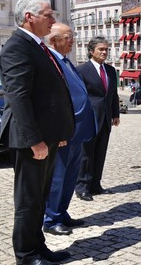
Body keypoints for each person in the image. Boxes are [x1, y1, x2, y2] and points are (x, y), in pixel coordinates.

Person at [0, 0, 74, 264]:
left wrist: (58, 134)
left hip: (46, 136)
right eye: (48, 15)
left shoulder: (37, 46)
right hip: (31, 140)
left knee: (40, 198)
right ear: (29, 17)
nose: (53, 20)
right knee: (28, 201)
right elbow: (18, 97)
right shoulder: (17, 47)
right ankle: (26, 255)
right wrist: (35, 141)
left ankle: (38, 248)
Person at [43, 24, 97, 236]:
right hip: (63, 133)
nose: (72, 40)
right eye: (68, 37)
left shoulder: (65, 61)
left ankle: (61, 212)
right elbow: (51, 100)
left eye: (72, 36)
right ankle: (51, 219)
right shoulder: (51, 62)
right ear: (54, 40)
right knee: (58, 178)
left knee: (70, 177)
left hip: (76, 131)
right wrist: (57, 130)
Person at [75, 37, 120, 202]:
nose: (104, 52)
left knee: (100, 153)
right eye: (101, 49)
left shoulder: (110, 70)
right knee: (86, 154)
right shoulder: (81, 70)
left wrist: (115, 114)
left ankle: (95, 185)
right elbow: (78, 96)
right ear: (91, 51)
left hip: (106, 119)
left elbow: (113, 94)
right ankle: (82, 187)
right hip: (89, 119)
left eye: (106, 49)